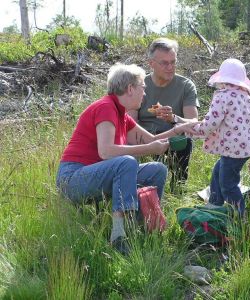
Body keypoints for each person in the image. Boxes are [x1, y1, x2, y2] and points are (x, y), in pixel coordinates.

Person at [56, 63, 197, 255]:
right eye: (142, 89)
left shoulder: (122, 115)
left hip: (97, 174)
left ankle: (143, 226)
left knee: (158, 169)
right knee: (127, 161)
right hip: (73, 179)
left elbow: (152, 140)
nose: (145, 95)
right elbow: (106, 152)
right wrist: (148, 148)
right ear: (130, 89)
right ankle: (119, 234)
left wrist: (176, 129)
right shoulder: (106, 107)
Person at [128, 37, 199, 192]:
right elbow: (130, 122)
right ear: (151, 63)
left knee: (185, 142)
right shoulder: (140, 85)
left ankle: (178, 189)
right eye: (164, 63)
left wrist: (174, 118)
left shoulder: (185, 86)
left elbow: (193, 122)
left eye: (173, 62)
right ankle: (136, 188)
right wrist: (145, 140)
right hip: (144, 138)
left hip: (173, 140)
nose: (170, 67)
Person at [190, 58, 250, 216]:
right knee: (218, 170)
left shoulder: (223, 96)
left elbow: (212, 121)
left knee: (228, 184)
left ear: (222, 79)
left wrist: (198, 130)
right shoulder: (249, 100)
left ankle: (240, 215)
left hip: (232, 148)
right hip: (245, 148)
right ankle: (215, 202)